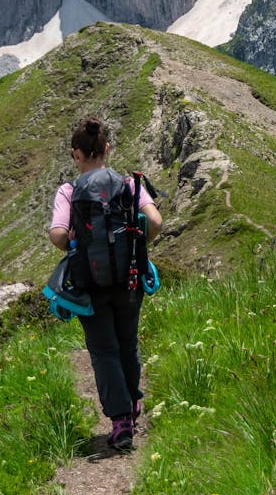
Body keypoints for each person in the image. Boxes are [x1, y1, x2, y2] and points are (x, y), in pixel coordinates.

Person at [48, 117, 163, 452]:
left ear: (75, 154)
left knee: (103, 350)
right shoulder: (127, 183)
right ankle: (133, 403)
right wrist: (138, 245)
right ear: (107, 148)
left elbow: (57, 234)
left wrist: (70, 241)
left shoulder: (69, 191)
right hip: (129, 278)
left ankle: (120, 420)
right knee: (127, 343)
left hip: (89, 284)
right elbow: (155, 221)